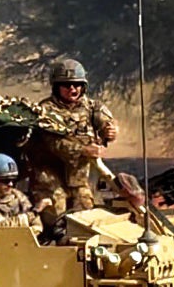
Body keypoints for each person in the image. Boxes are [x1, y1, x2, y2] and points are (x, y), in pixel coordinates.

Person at [26, 57, 121, 220]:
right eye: (66, 85)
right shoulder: (45, 110)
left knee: (86, 212)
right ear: (57, 87)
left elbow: (107, 123)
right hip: (49, 174)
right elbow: (54, 144)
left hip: (79, 175)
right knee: (57, 208)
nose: (72, 89)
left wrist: (111, 131)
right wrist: (84, 150)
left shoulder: (92, 107)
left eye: (77, 84)